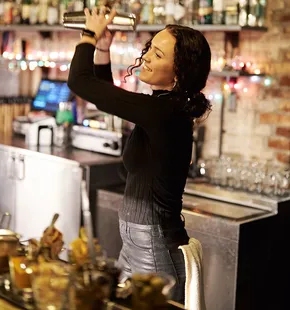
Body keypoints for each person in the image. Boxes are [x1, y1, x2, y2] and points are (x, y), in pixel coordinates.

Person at [67, 7, 212, 304]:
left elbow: (80, 82)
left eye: (158, 55)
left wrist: (89, 34)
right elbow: (106, 96)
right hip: (135, 243)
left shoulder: (166, 111)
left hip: (155, 245)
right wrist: (103, 50)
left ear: (179, 73)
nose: (145, 57)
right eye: (149, 49)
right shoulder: (162, 105)